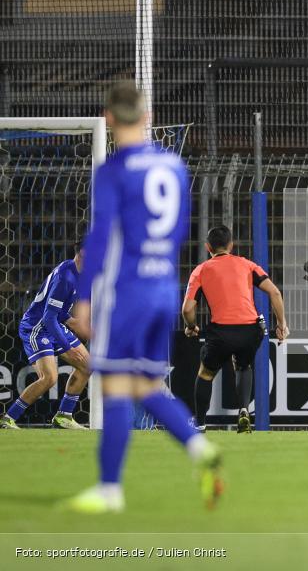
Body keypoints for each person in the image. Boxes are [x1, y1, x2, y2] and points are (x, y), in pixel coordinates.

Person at [66, 81, 222, 513]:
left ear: (108, 118)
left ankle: (109, 489)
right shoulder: (174, 166)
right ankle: (199, 447)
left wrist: (84, 298)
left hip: (128, 291)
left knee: (116, 385)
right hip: (162, 289)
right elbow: (178, 229)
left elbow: (99, 238)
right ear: (147, 117)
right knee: (146, 384)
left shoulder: (114, 171)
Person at [183, 225, 289, 434]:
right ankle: (243, 411)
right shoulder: (247, 265)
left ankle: (200, 424)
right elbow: (275, 293)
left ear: (207, 247)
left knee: (206, 373)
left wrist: (191, 326)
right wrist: (281, 324)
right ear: (231, 245)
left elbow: (187, 309)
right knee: (243, 365)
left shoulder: (201, 270)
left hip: (221, 333)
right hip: (251, 330)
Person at [1, 240, 91, 430]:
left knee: (86, 366)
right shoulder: (65, 278)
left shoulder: (78, 272)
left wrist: (72, 321)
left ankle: (64, 416)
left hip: (54, 323)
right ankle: (8, 419)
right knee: (49, 378)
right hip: (36, 327)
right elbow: (48, 317)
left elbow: (56, 310)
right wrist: (68, 348)